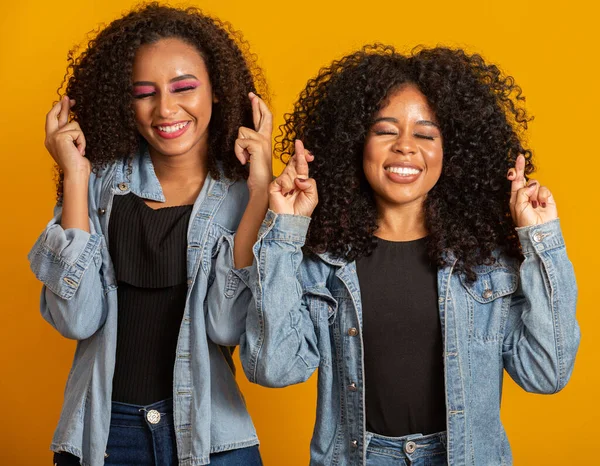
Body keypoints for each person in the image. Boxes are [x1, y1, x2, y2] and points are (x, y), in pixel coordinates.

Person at [238, 45, 580, 465]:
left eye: (425, 134)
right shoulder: (321, 262)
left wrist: (539, 236)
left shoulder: (487, 265)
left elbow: (546, 373)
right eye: (385, 131)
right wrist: (285, 232)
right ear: (356, 144)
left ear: (452, 152)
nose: (404, 147)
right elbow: (274, 369)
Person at [28, 3, 271, 465]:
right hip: (101, 437)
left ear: (217, 91)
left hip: (210, 436)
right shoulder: (98, 186)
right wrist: (75, 176)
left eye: (184, 87)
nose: (166, 108)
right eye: (145, 93)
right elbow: (76, 320)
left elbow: (228, 325)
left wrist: (259, 192)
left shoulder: (243, 195)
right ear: (126, 101)